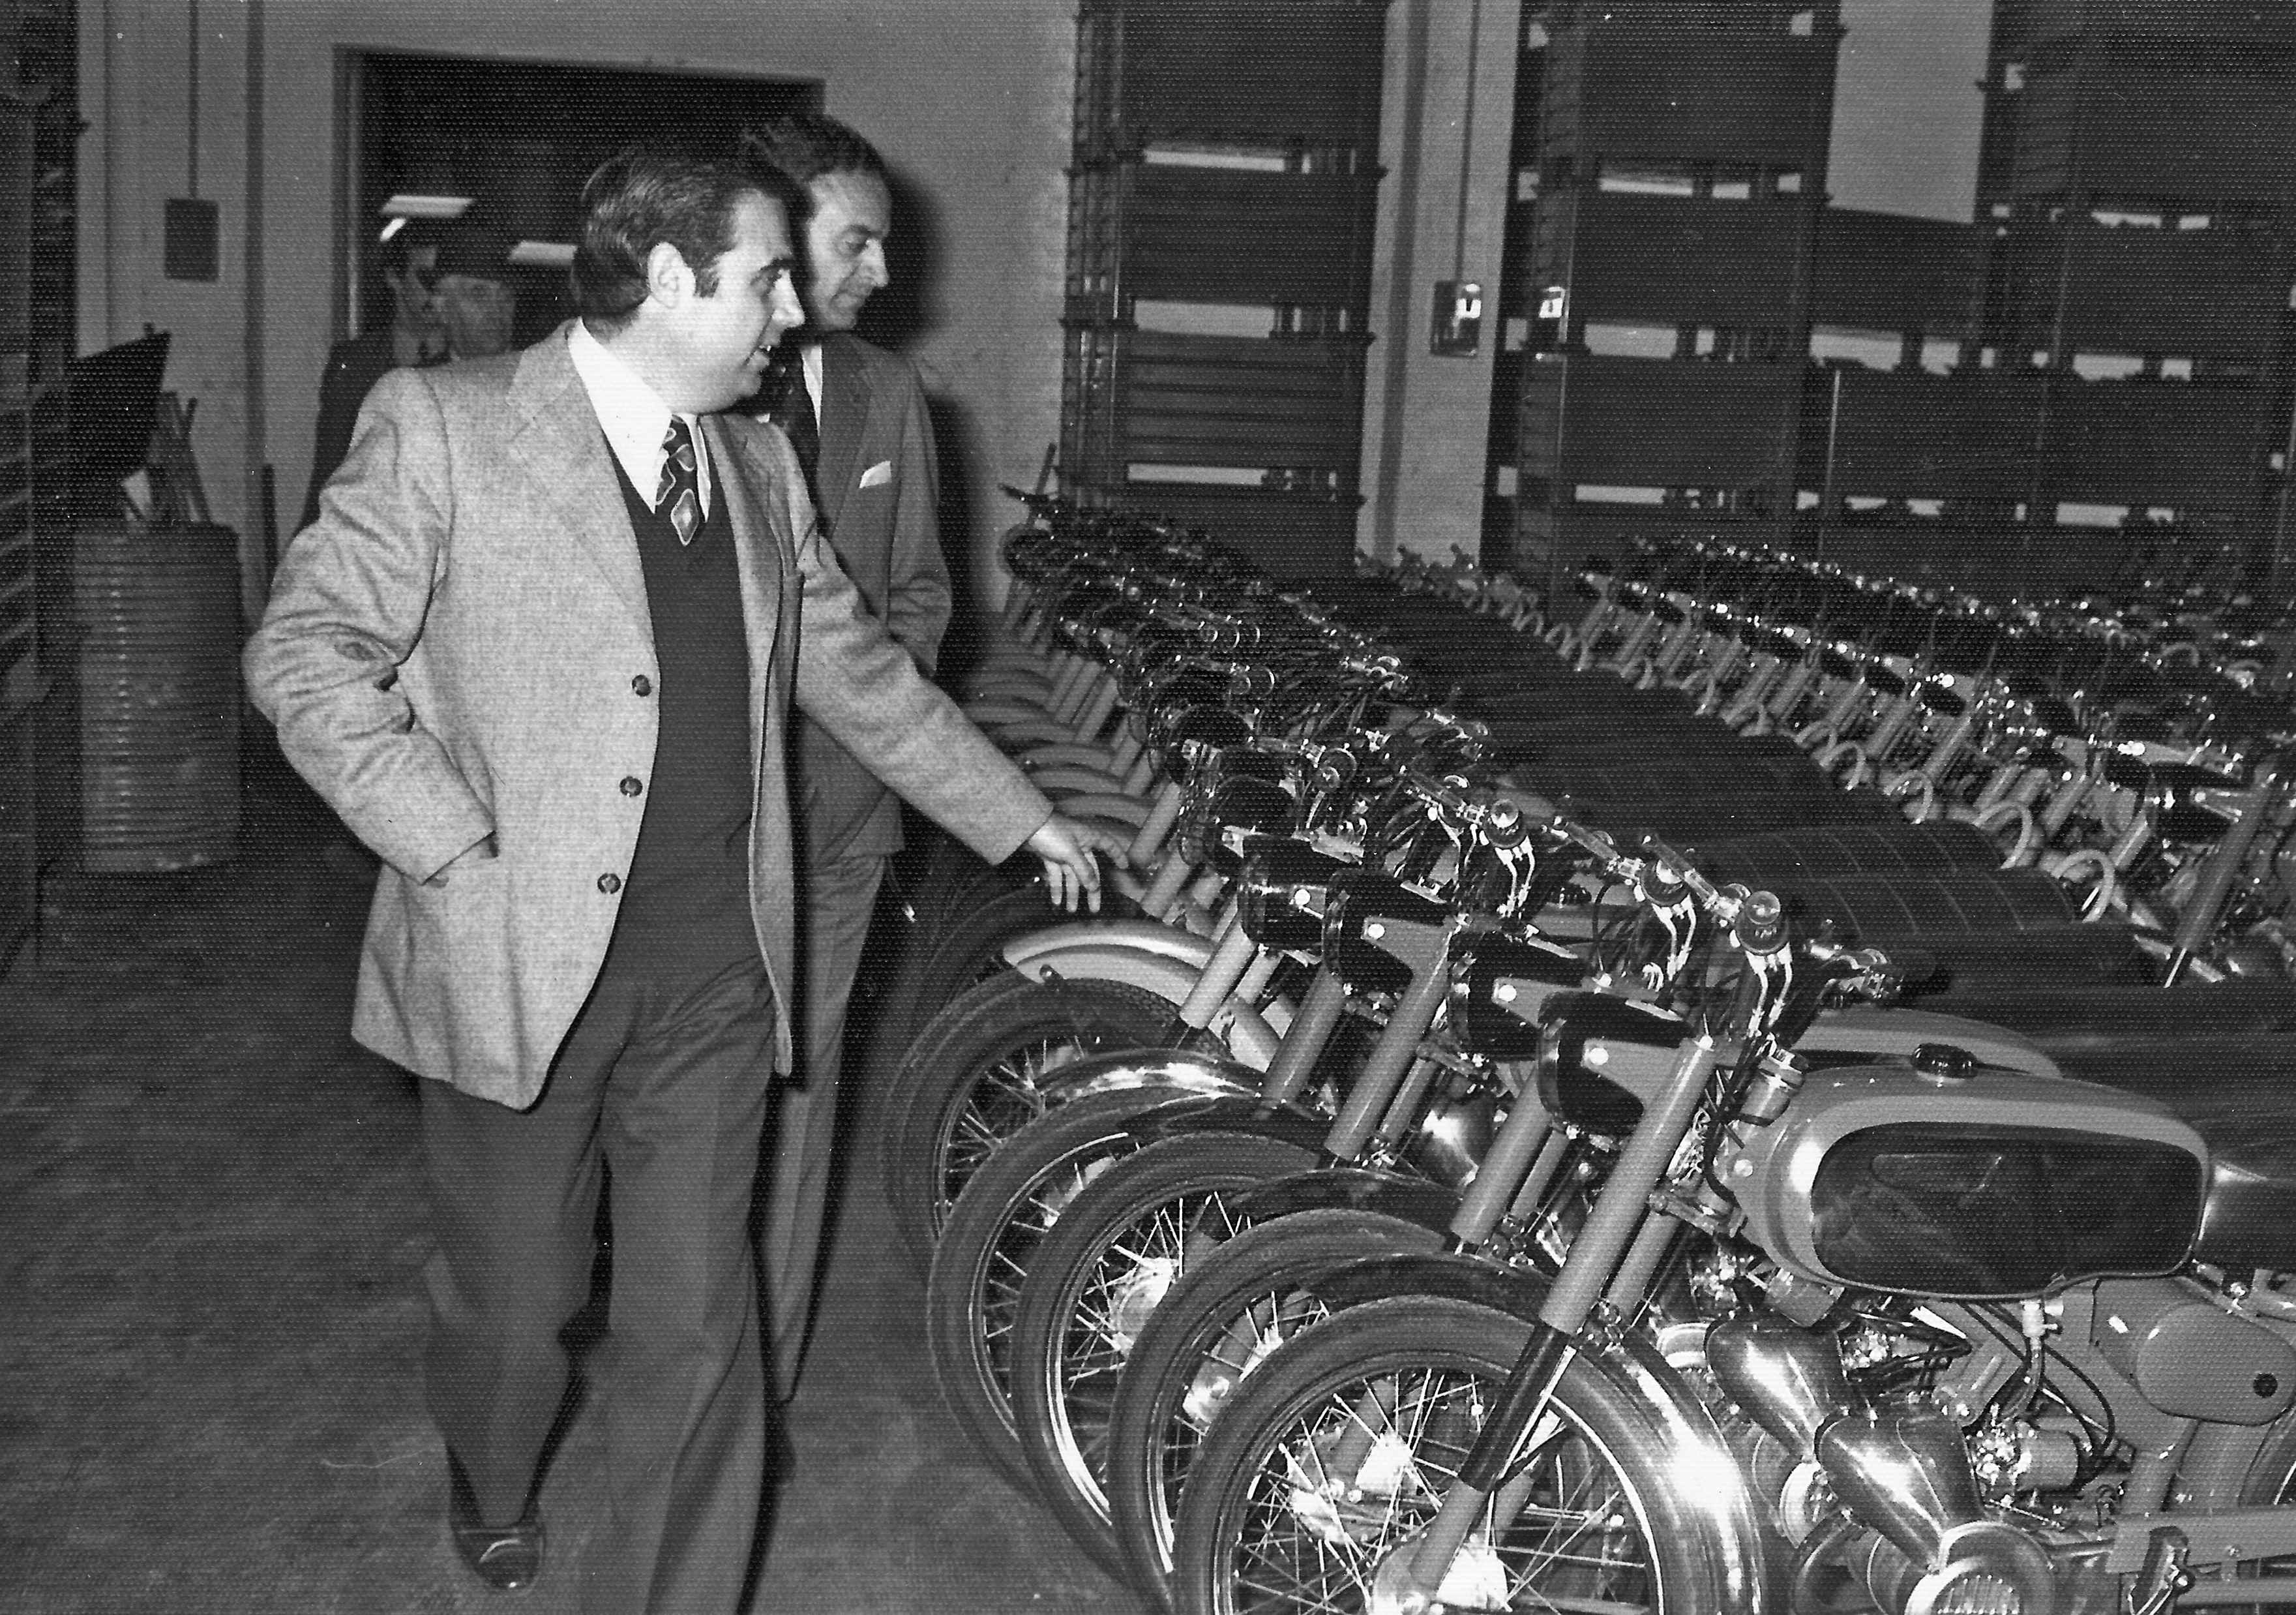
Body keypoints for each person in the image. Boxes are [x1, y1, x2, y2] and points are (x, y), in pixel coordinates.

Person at [243, 143, 1123, 1612]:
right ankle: (491, 1459)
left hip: (721, 969)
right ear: (667, 278)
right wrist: (447, 839)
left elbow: (855, 670)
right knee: (519, 1304)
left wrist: (1015, 812)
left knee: (700, 1326)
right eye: (767, 278)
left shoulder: (759, 465)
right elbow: (303, 656)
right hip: (518, 961)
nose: (793, 309)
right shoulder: (448, 425)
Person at [736, 111, 947, 1403]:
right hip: (699, 824)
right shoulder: (687, 387)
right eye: (857, 242)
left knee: (801, 1099)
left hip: (840, 821)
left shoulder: (886, 393)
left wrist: (862, 739)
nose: (881, 272)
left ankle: (759, 1388)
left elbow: (917, 593)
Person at [298, 213, 520, 532]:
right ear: (441, 307)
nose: (497, 313)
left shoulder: (539, 384)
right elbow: (340, 486)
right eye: (479, 294)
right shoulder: (409, 390)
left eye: (506, 297)